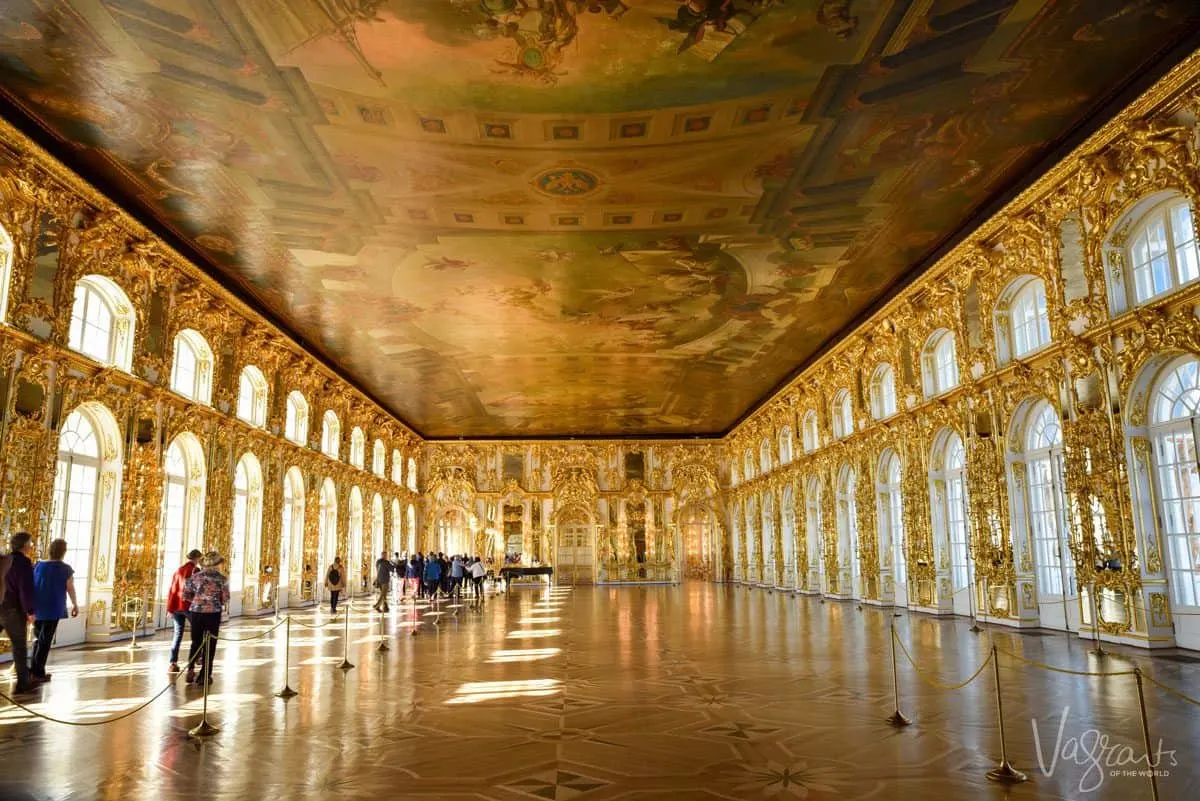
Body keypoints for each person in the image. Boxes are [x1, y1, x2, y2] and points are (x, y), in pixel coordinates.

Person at [30, 538, 79, 682]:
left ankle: (34, 670)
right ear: (63, 552)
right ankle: (38, 673)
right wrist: (75, 604)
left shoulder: (38, 565)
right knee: (45, 641)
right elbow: (70, 588)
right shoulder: (65, 569)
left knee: (38, 639)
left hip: (38, 607)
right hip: (53, 607)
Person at [182, 551, 229, 685]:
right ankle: (205, 675)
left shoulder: (195, 577)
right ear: (216, 564)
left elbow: (185, 595)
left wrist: (198, 601)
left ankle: (190, 670)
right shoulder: (222, 579)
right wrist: (213, 601)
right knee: (210, 644)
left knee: (195, 642)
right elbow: (225, 598)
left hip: (196, 612)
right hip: (213, 613)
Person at [0, 532, 38, 694]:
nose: (31, 546)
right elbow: (24, 589)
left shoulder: (4, 560)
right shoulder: (23, 563)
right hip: (13, 609)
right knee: (19, 646)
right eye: (30, 543)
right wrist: (29, 610)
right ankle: (23, 683)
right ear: (25, 545)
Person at [165, 549, 202, 673]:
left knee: (177, 634)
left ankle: (173, 663)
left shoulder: (179, 570)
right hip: (190, 607)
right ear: (197, 558)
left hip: (176, 607)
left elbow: (172, 590)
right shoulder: (195, 570)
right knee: (197, 634)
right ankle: (197, 657)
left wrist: (170, 608)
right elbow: (198, 590)